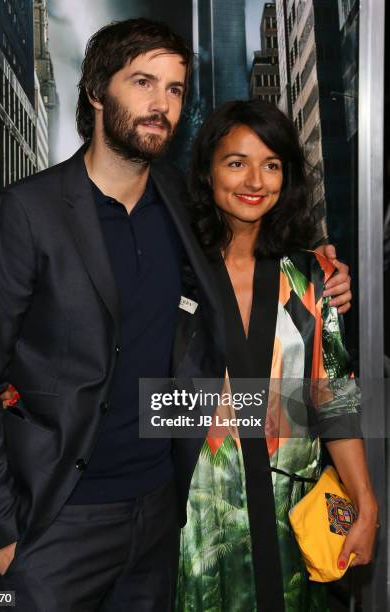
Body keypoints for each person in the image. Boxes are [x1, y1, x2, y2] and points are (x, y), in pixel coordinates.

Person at [0, 19, 351, 612]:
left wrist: (321, 270)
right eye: (143, 82)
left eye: (175, 89)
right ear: (96, 91)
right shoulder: (26, 213)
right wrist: (0, 531)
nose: (160, 103)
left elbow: (254, 235)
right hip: (56, 521)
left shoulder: (183, 213)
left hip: (163, 516)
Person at [176, 100, 378, 612]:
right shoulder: (172, 273)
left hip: (293, 521)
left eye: (272, 165)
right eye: (236, 162)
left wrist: (367, 502)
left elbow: (335, 400)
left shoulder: (311, 277)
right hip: (196, 527)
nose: (255, 180)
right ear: (206, 171)